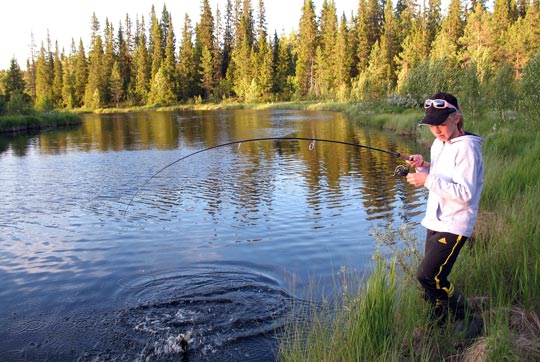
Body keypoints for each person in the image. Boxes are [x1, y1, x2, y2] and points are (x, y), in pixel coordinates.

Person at [405, 92, 484, 339]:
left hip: (455, 223)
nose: (437, 130)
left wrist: (427, 180)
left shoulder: (468, 150)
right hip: (435, 220)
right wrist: (423, 165)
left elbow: (465, 193)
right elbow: (441, 173)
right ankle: (436, 323)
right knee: (431, 280)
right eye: (432, 125)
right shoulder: (440, 143)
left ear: (456, 118)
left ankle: (468, 319)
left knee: (429, 276)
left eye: (441, 123)